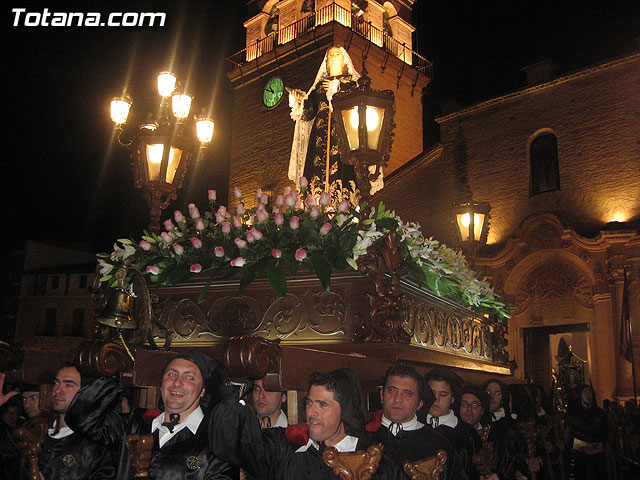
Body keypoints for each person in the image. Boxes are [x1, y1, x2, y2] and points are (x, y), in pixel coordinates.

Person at [65, 351, 236, 479]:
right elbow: (80, 418)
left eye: (189, 378)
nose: (177, 383)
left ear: (203, 391)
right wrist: (115, 375)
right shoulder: (134, 425)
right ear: (161, 385)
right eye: (171, 374)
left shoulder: (217, 442)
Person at [211, 368, 405, 479]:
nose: (311, 412)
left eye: (323, 405)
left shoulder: (375, 464)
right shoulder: (283, 447)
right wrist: (233, 391)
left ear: (345, 410)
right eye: (310, 403)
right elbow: (230, 444)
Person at [288, 45, 382, 204]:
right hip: (320, 137)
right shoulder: (318, 87)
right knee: (316, 171)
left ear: (344, 61)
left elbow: (356, 107)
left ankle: (344, 203)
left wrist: (336, 90)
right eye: (330, 55)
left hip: (342, 138)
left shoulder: (353, 85)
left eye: (337, 54)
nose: (332, 57)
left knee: (343, 171)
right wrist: (300, 102)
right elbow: (308, 113)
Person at [369, 364, 467, 480]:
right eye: (392, 390)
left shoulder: (438, 446)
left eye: (407, 393)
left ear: (420, 403)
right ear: (381, 395)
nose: (397, 399)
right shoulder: (364, 437)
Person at [34, 363, 114, 479]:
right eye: (57, 383)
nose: (58, 390)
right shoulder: (36, 434)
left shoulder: (97, 445)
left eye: (68, 385)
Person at [424, 368, 479, 478]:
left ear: (452, 398)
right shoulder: (415, 426)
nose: (436, 399)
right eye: (432, 393)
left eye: (443, 395)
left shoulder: (467, 434)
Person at [566, 384, 607, 480]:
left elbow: (604, 435)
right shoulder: (574, 416)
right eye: (586, 393)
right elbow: (570, 438)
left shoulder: (600, 414)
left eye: (590, 393)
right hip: (580, 459)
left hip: (597, 459)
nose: (589, 396)